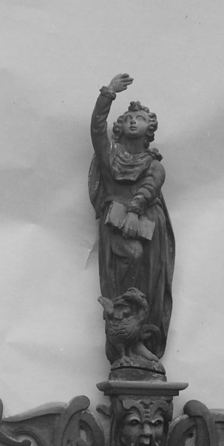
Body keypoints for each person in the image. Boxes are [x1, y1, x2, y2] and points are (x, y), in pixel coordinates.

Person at [88, 74, 174, 363]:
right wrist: (108, 94)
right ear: (120, 126)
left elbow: (150, 188)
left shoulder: (154, 165)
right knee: (124, 275)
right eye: (128, 119)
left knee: (146, 283)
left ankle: (139, 341)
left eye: (140, 119)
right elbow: (96, 129)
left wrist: (136, 208)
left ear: (150, 128)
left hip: (147, 227)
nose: (134, 122)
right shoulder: (110, 157)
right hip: (116, 226)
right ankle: (122, 343)